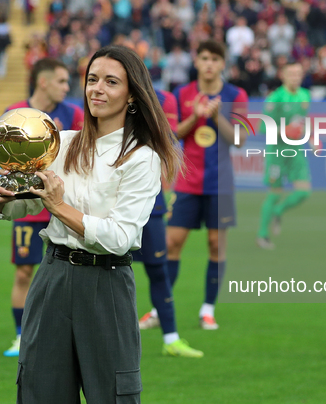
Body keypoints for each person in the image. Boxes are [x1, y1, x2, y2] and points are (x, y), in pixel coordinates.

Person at [0, 44, 182, 402]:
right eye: (92, 79)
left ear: (132, 95)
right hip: (52, 279)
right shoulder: (61, 144)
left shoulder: (142, 158)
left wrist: (58, 206)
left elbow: (120, 237)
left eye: (111, 82)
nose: (97, 89)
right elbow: (22, 207)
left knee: (112, 395)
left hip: (106, 286)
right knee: (39, 392)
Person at [142, 39, 248, 330]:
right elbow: (172, 134)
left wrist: (217, 117)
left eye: (215, 58)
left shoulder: (236, 95)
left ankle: (208, 309)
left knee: (216, 245)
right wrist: (197, 117)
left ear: (223, 64)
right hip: (187, 183)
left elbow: (239, 139)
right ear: (197, 62)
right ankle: (158, 308)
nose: (209, 64)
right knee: (171, 243)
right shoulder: (183, 93)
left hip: (221, 184)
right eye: (204, 58)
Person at [2, 58, 84, 357]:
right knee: (24, 272)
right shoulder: (16, 114)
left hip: (62, 206)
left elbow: (81, 157)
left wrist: (60, 140)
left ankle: (64, 336)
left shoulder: (73, 114)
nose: (67, 87)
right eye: (62, 81)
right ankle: (21, 336)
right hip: (27, 204)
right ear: (43, 81)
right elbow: (6, 159)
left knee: (67, 275)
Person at [134, 88, 203, 358]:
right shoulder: (104, 96)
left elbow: (168, 138)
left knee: (158, 270)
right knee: (107, 271)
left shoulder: (162, 99)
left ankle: (171, 338)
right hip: (110, 201)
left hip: (151, 201)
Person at [256, 60, 313, 250]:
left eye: (298, 74)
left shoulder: (305, 95)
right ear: (283, 75)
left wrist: (311, 138)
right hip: (277, 152)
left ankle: (278, 211)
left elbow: (301, 123)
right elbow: (263, 127)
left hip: (295, 151)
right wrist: (285, 131)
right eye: (292, 74)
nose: (295, 77)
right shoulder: (275, 98)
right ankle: (263, 235)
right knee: (274, 193)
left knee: (304, 191)